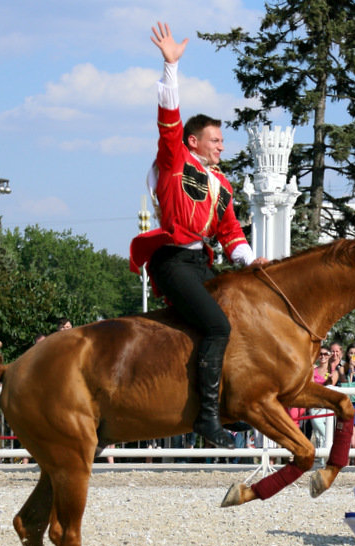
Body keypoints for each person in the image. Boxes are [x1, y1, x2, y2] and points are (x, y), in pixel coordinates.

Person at [128, 23, 269, 449]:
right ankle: (206, 419)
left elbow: (229, 233)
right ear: (194, 140)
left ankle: (227, 405)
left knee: (234, 325)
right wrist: (171, 67)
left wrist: (250, 261)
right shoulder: (175, 160)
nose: (222, 146)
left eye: (223, 141)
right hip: (173, 260)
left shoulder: (222, 185)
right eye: (215, 139)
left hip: (200, 262)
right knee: (217, 325)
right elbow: (167, 118)